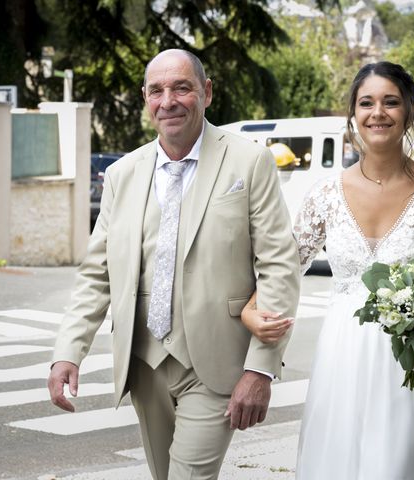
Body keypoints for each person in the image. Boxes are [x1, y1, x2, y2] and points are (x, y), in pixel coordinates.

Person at [47, 49, 300, 480]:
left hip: (218, 363)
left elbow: (279, 264)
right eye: (157, 90)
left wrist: (260, 369)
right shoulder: (122, 174)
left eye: (182, 87)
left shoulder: (248, 161)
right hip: (143, 364)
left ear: (206, 92)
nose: (169, 100)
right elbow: (96, 273)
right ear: (145, 98)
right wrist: (68, 352)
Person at [241, 61, 414, 479]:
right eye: (366, 103)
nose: (378, 113)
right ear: (353, 114)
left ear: (409, 111)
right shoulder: (326, 195)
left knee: (403, 465)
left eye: (391, 102)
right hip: (342, 359)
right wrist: (249, 310)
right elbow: (285, 266)